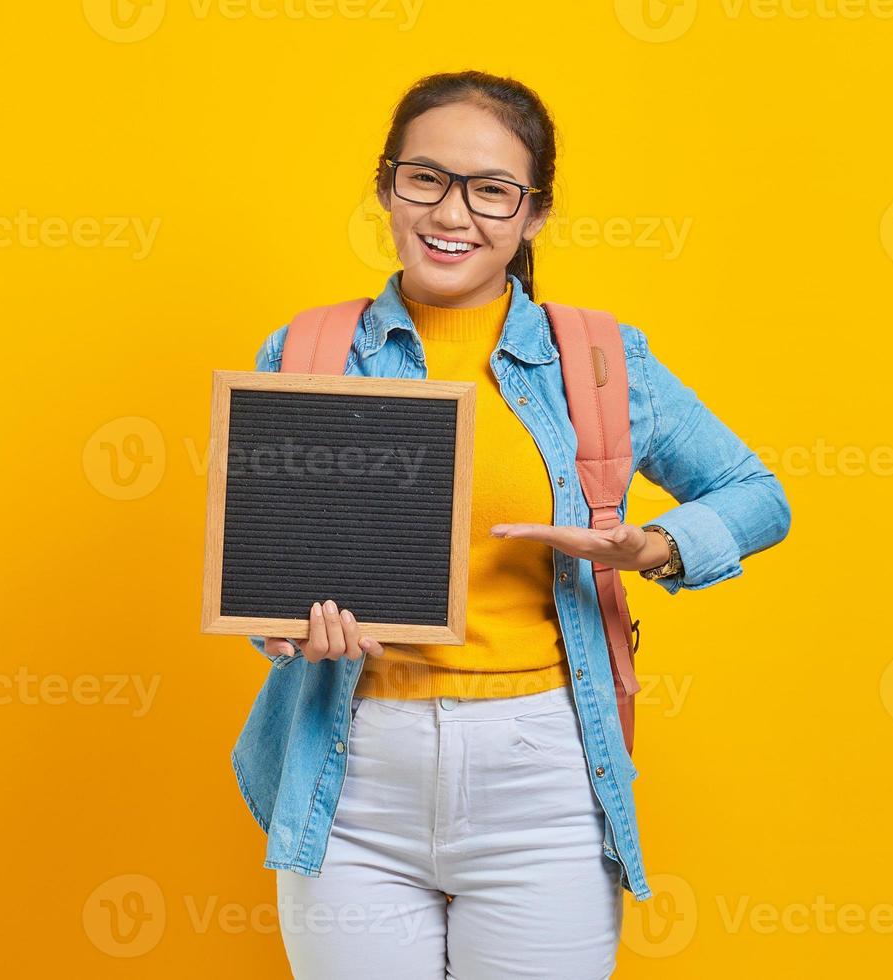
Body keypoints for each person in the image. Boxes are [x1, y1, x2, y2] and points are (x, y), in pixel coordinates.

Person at [235, 70, 791, 979]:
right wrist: (288, 627)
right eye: (427, 179)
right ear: (387, 186)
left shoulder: (601, 362)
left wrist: (649, 546)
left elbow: (756, 493)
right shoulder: (306, 351)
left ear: (532, 215)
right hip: (354, 772)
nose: (453, 214)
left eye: (492, 191)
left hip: (543, 778)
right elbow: (265, 567)